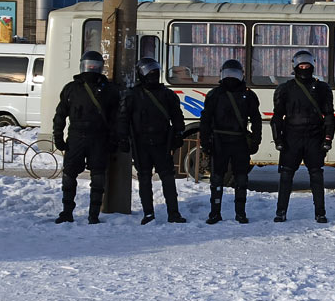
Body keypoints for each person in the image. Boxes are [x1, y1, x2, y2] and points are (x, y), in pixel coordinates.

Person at [52, 51, 120, 225]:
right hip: (99, 138)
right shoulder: (109, 89)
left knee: (70, 175)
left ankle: (67, 212)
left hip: (77, 137)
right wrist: (114, 140)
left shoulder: (71, 88)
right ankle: (93, 215)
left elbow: (60, 115)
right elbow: (116, 119)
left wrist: (58, 137)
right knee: (97, 177)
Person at [118, 58, 187, 225]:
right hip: (141, 143)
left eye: (155, 72)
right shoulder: (132, 95)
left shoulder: (166, 94)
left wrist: (178, 133)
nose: (153, 76)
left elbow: (177, 116)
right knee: (145, 178)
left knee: (166, 178)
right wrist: (122, 138)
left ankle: (173, 213)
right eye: (150, 72)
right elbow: (123, 118)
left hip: (161, 141)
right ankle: (149, 213)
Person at [271, 50, 335, 223]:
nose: (304, 67)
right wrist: (278, 140)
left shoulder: (322, 88)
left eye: (307, 64)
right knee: (286, 175)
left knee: (316, 175)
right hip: (292, 136)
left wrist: (328, 138)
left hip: (314, 136)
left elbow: (330, 116)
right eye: (301, 64)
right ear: (295, 66)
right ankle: (281, 211)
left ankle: (320, 212)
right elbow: (277, 117)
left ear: (313, 66)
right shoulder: (285, 89)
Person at [200, 59, 261, 224]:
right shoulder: (215, 95)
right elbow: (205, 120)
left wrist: (255, 140)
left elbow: (256, 120)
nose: (231, 78)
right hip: (221, 140)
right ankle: (216, 212)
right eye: (229, 74)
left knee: (240, 179)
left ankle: (239, 212)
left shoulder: (247, 95)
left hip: (237, 141)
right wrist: (205, 141)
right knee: (218, 179)